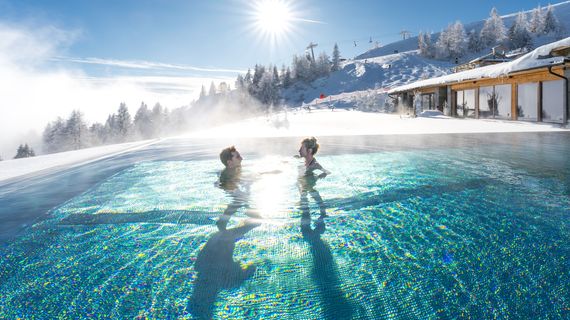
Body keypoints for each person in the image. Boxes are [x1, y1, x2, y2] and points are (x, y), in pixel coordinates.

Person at [297, 137, 330, 218]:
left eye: (302, 148)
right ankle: (322, 214)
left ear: (309, 150)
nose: (299, 150)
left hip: (310, 187)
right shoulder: (304, 162)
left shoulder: (314, 164)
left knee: (318, 202)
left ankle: (323, 214)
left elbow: (327, 172)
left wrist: (319, 176)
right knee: (305, 208)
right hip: (303, 187)